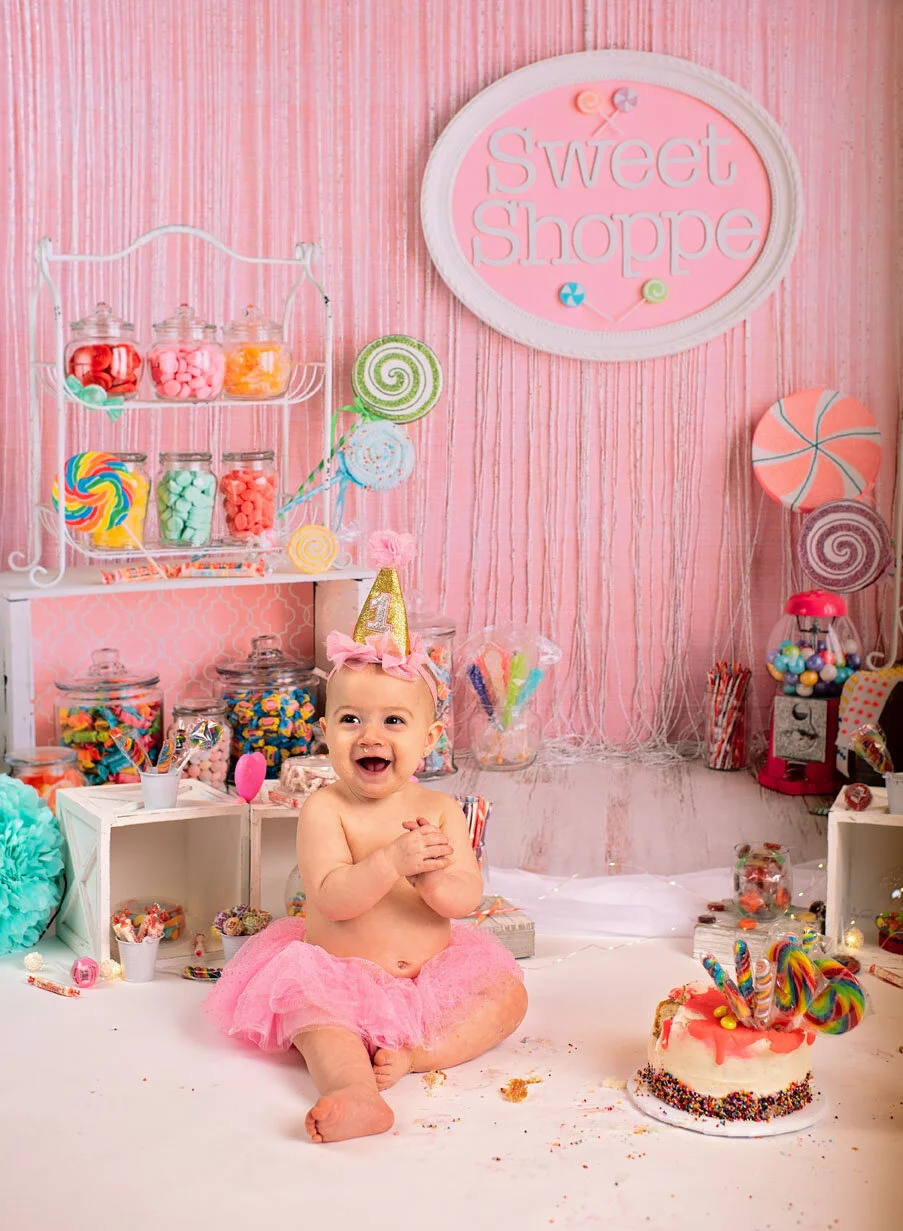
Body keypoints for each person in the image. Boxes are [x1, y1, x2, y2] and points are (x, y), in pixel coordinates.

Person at [204, 533, 527, 1142]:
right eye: (351, 719)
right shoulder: (326, 808)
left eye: (393, 721)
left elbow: (464, 900)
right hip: (339, 976)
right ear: (325, 732)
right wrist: (391, 862)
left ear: (428, 740)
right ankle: (355, 1090)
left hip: (431, 982)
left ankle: (417, 1055)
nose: (370, 735)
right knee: (310, 1013)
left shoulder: (439, 809)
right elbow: (331, 898)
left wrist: (431, 877)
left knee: (508, 998)